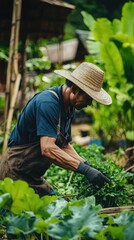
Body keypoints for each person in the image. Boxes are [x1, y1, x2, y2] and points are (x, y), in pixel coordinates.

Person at [0, 62, 112, 197]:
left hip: (33, 176)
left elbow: (64, 144)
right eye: (88, 98)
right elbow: (47, 148)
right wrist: (84, 170)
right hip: (15, 173)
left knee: (56, 208)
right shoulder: (48, 103)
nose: (89, 104)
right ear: (75, 89)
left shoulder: (69, 107)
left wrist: (87, 165)